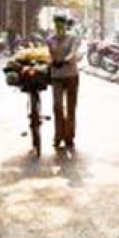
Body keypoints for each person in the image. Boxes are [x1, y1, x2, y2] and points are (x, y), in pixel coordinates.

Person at [47, 15, 81, 149]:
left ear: (65, 25)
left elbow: (73, 52)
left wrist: (66, 59)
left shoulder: (72, 38)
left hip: (71, 75)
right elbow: (50, 55)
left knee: (71, 108)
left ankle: (69, 137)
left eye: (61, 24)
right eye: (57, 24)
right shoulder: (50, 39)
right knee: (57, 106)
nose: (59, 27)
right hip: (56, 76)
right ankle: (58, 135)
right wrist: (53, 61)